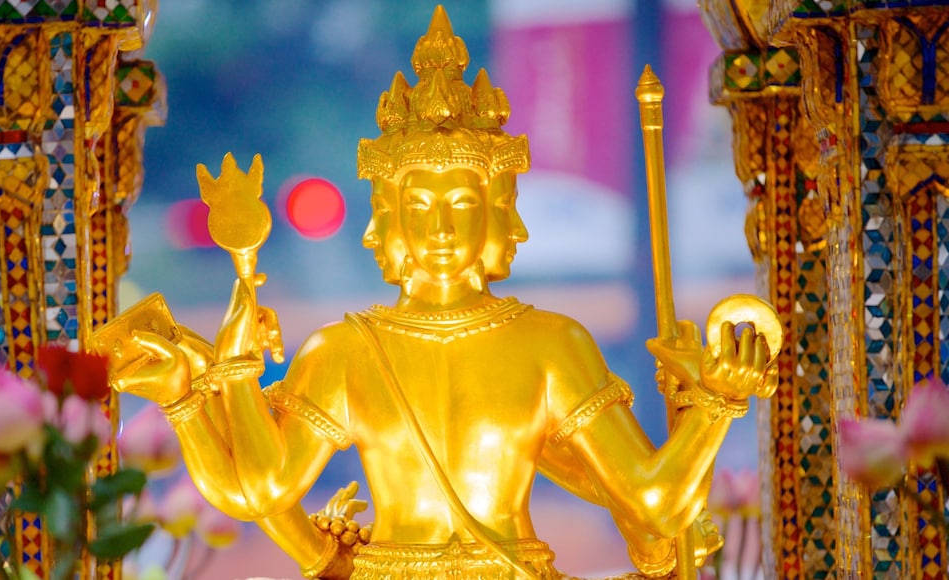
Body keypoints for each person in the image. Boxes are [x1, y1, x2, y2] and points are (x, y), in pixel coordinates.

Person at [114, 7, 775, 578]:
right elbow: (261, 488)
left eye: (461, 203)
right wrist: (205, 389)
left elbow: (655, 501)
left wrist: (716, 405)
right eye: (418, 205)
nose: (438, 228)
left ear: (498, 211)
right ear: (387, 218)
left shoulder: (551, 343)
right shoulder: (344, 349)